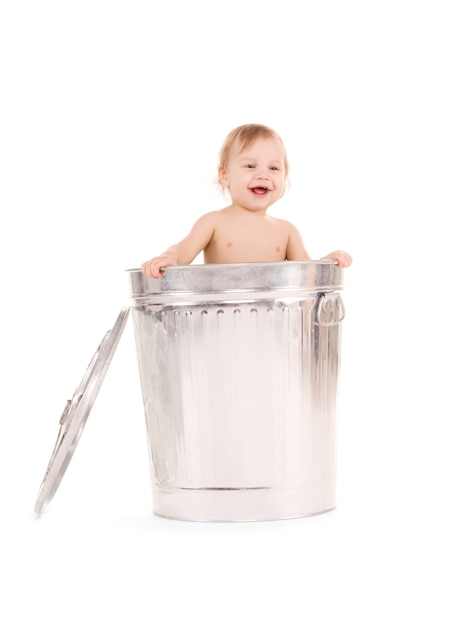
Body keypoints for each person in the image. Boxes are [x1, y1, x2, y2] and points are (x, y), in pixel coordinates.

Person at [141, 123, 352, 278]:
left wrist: (326, 265)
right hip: (220, 321)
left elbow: (308, 275)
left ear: (284, 179)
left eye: (274, 168)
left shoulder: (286, 231)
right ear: (225, 176)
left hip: (271, 324)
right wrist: (167, 258)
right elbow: (183, 250)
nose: (263, 175)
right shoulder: (213, 223)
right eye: (251, 166)